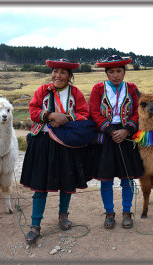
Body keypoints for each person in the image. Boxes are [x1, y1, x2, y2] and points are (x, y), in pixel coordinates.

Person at [20, 59, 89, 244]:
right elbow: (33, 110)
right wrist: (50, 115)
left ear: (69, 76)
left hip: (66, 143)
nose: (58, 75)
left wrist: (64, 118)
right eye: (55, 71)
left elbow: (84, 113)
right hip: (43, 141)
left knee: (67, 181)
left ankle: (63, 216)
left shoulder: (75, 93)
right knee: (40, 185)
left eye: (63, 72)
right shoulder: (43, 91)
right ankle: (35, 225)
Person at [87, 55, 144, 229]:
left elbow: (137, 110)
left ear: (124, 72)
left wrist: (127, 129)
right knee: (106, 178)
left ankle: (127, 211)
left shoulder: (132, 88)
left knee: (127, 177)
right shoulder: (98, 89)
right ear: (106, 73)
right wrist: (111, 130)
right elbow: (94, 112)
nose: (115, 75)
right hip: (107, 136)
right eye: (111, 72)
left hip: (127, 135)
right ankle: (109, 212)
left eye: (119, 71)